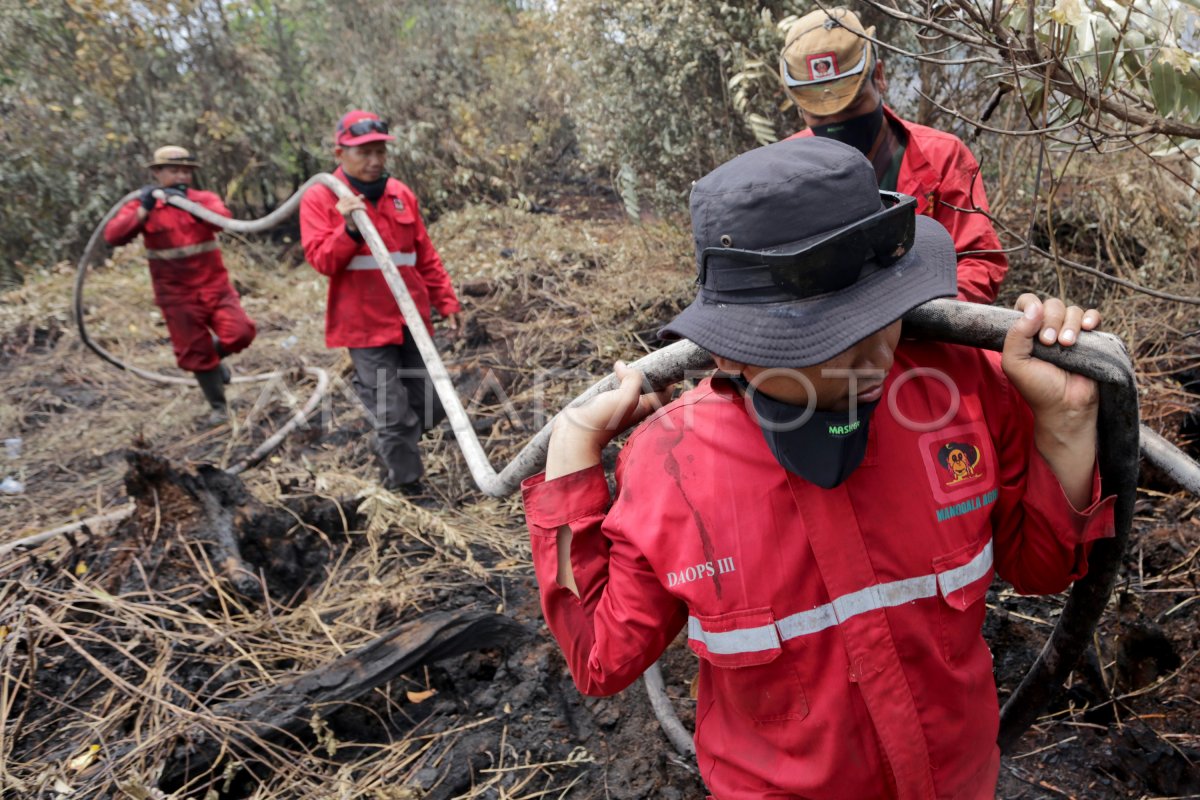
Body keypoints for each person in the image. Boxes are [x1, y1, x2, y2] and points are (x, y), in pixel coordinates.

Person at [522, 138, 1116, 799]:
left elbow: (1041, 570)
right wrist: (573, 457)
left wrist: (1063, 427)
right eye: (829, 338)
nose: (877, 356)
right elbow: (601, 660)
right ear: (736, 351)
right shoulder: (671, 469)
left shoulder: (961, 388)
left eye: (883, 315)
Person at [780, 6, 1008, 305]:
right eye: (820, 115)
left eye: (850, 107)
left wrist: (917, 316)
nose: (837, 123)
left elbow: (979, 263)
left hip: (927, 339)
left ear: (880, 76)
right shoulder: (783, 173)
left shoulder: (941, 157)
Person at [299, 110, 462, 495]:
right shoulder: (321, 197)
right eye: (363, 153)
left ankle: (390, 445)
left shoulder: (400, 194)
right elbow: (322, 260)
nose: (374, 161)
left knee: (434, 407)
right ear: (341, 154)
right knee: (393, 414)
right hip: (364, 326)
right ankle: (407, 487)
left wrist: (447, 300)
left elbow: (424, 255)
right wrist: (349, 229)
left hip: (412, 319)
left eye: (379, 152)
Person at [104, 145, 256, 419]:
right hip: (175, 294)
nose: (181, 176)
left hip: (214, 287)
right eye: (174, 171)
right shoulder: (143, 204)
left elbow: (223, 220)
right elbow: (113, 236)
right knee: (195, 351)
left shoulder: (203, 199)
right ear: (157, 173)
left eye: (186, 171)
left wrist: (190, 206)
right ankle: (218, 407)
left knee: (241, 332)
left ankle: (213, 360)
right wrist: (144, 211)